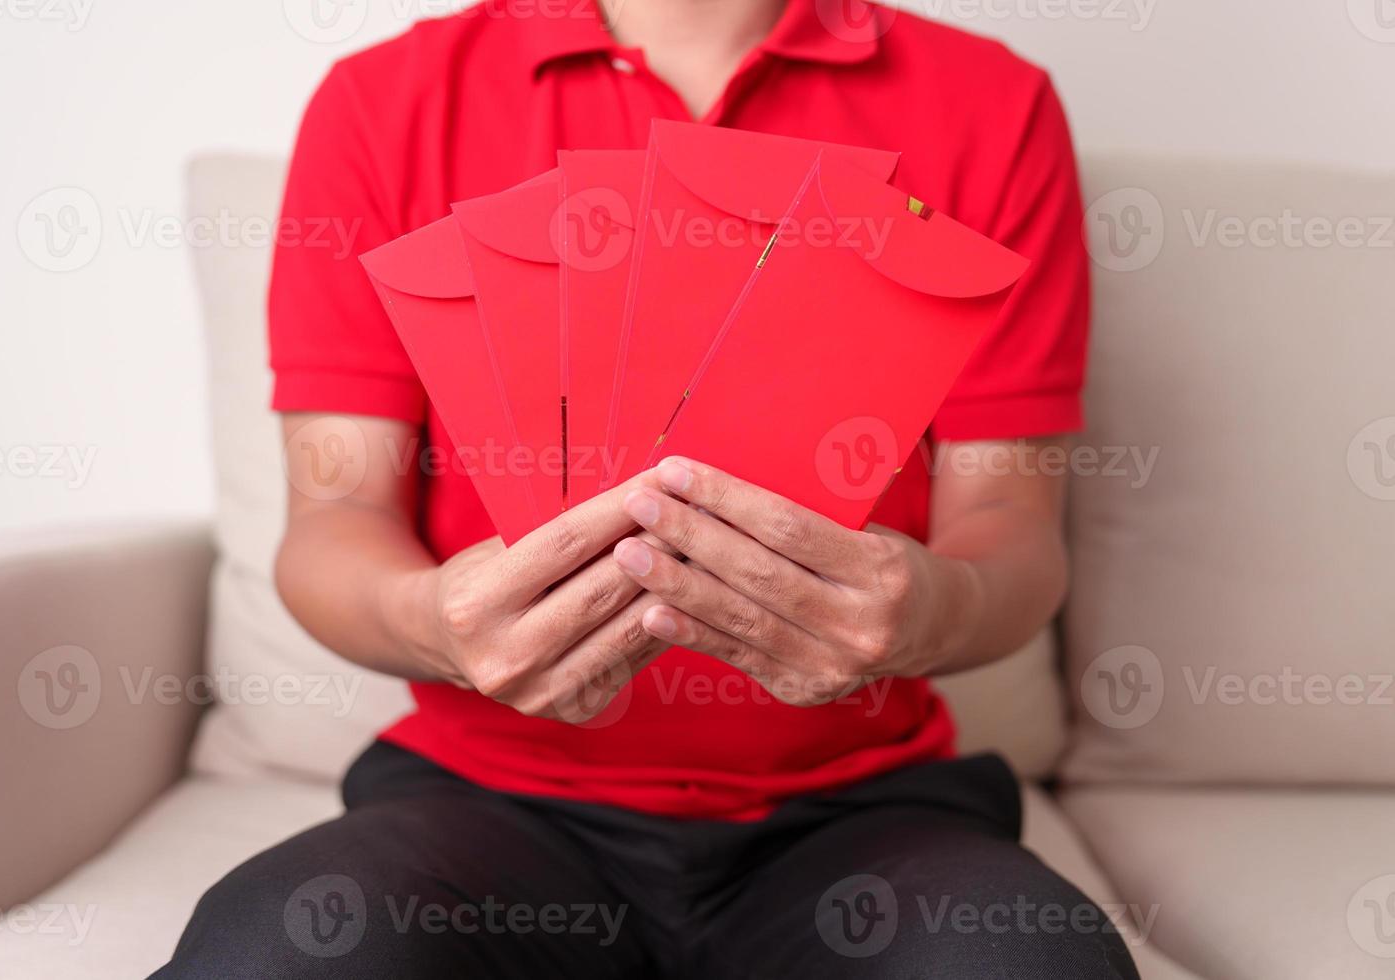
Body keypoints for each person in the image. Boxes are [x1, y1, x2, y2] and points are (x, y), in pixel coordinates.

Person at [153, 0, 1136, 976]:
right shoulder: (387, 100)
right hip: (486, 802)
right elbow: (334, 518)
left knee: (1031, 962)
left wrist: (932, 605)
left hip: (861, 813)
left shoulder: (995, 103)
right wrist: (432, 620)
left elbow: (1012, 522)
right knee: (268, 949)